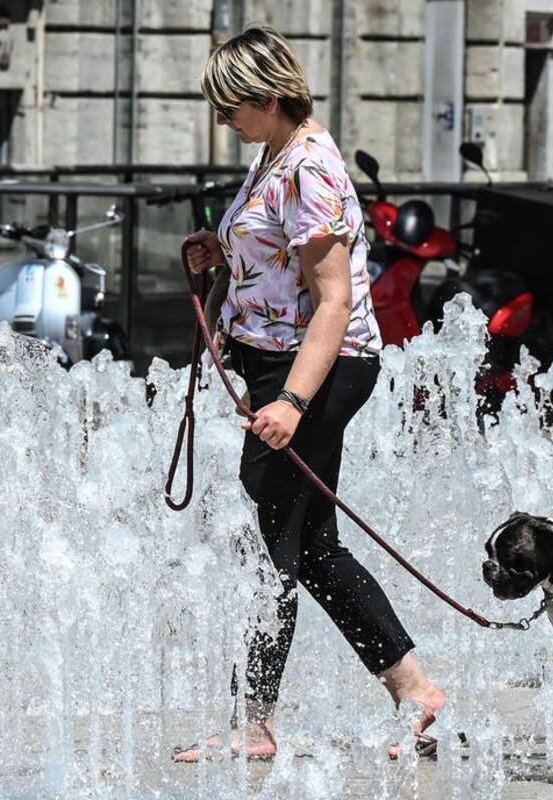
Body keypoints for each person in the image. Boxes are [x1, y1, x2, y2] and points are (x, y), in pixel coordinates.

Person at [171, 25, 446, 763]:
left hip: (317, 371)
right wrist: (220, 251)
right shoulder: (274, 156)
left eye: (229, 108)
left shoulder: (311, 168)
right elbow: (275, 257)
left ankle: (254, 723)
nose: (221, 122)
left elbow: (331, 303)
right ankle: (415, 692)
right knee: (312, 545)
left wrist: (291, 402)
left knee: (273, 542)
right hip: (283, 366)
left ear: (269, 97)